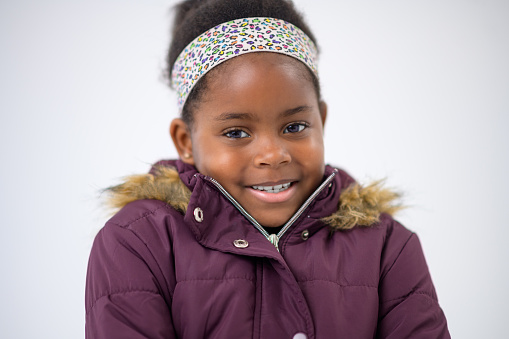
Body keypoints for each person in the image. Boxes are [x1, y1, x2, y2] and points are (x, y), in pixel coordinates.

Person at [85, 0, 450, 338]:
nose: (273, 155)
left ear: (321, 120)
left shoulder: (386, 245)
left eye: (294, 127)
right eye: (237, 132)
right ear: (185, 141)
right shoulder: (137, 244)